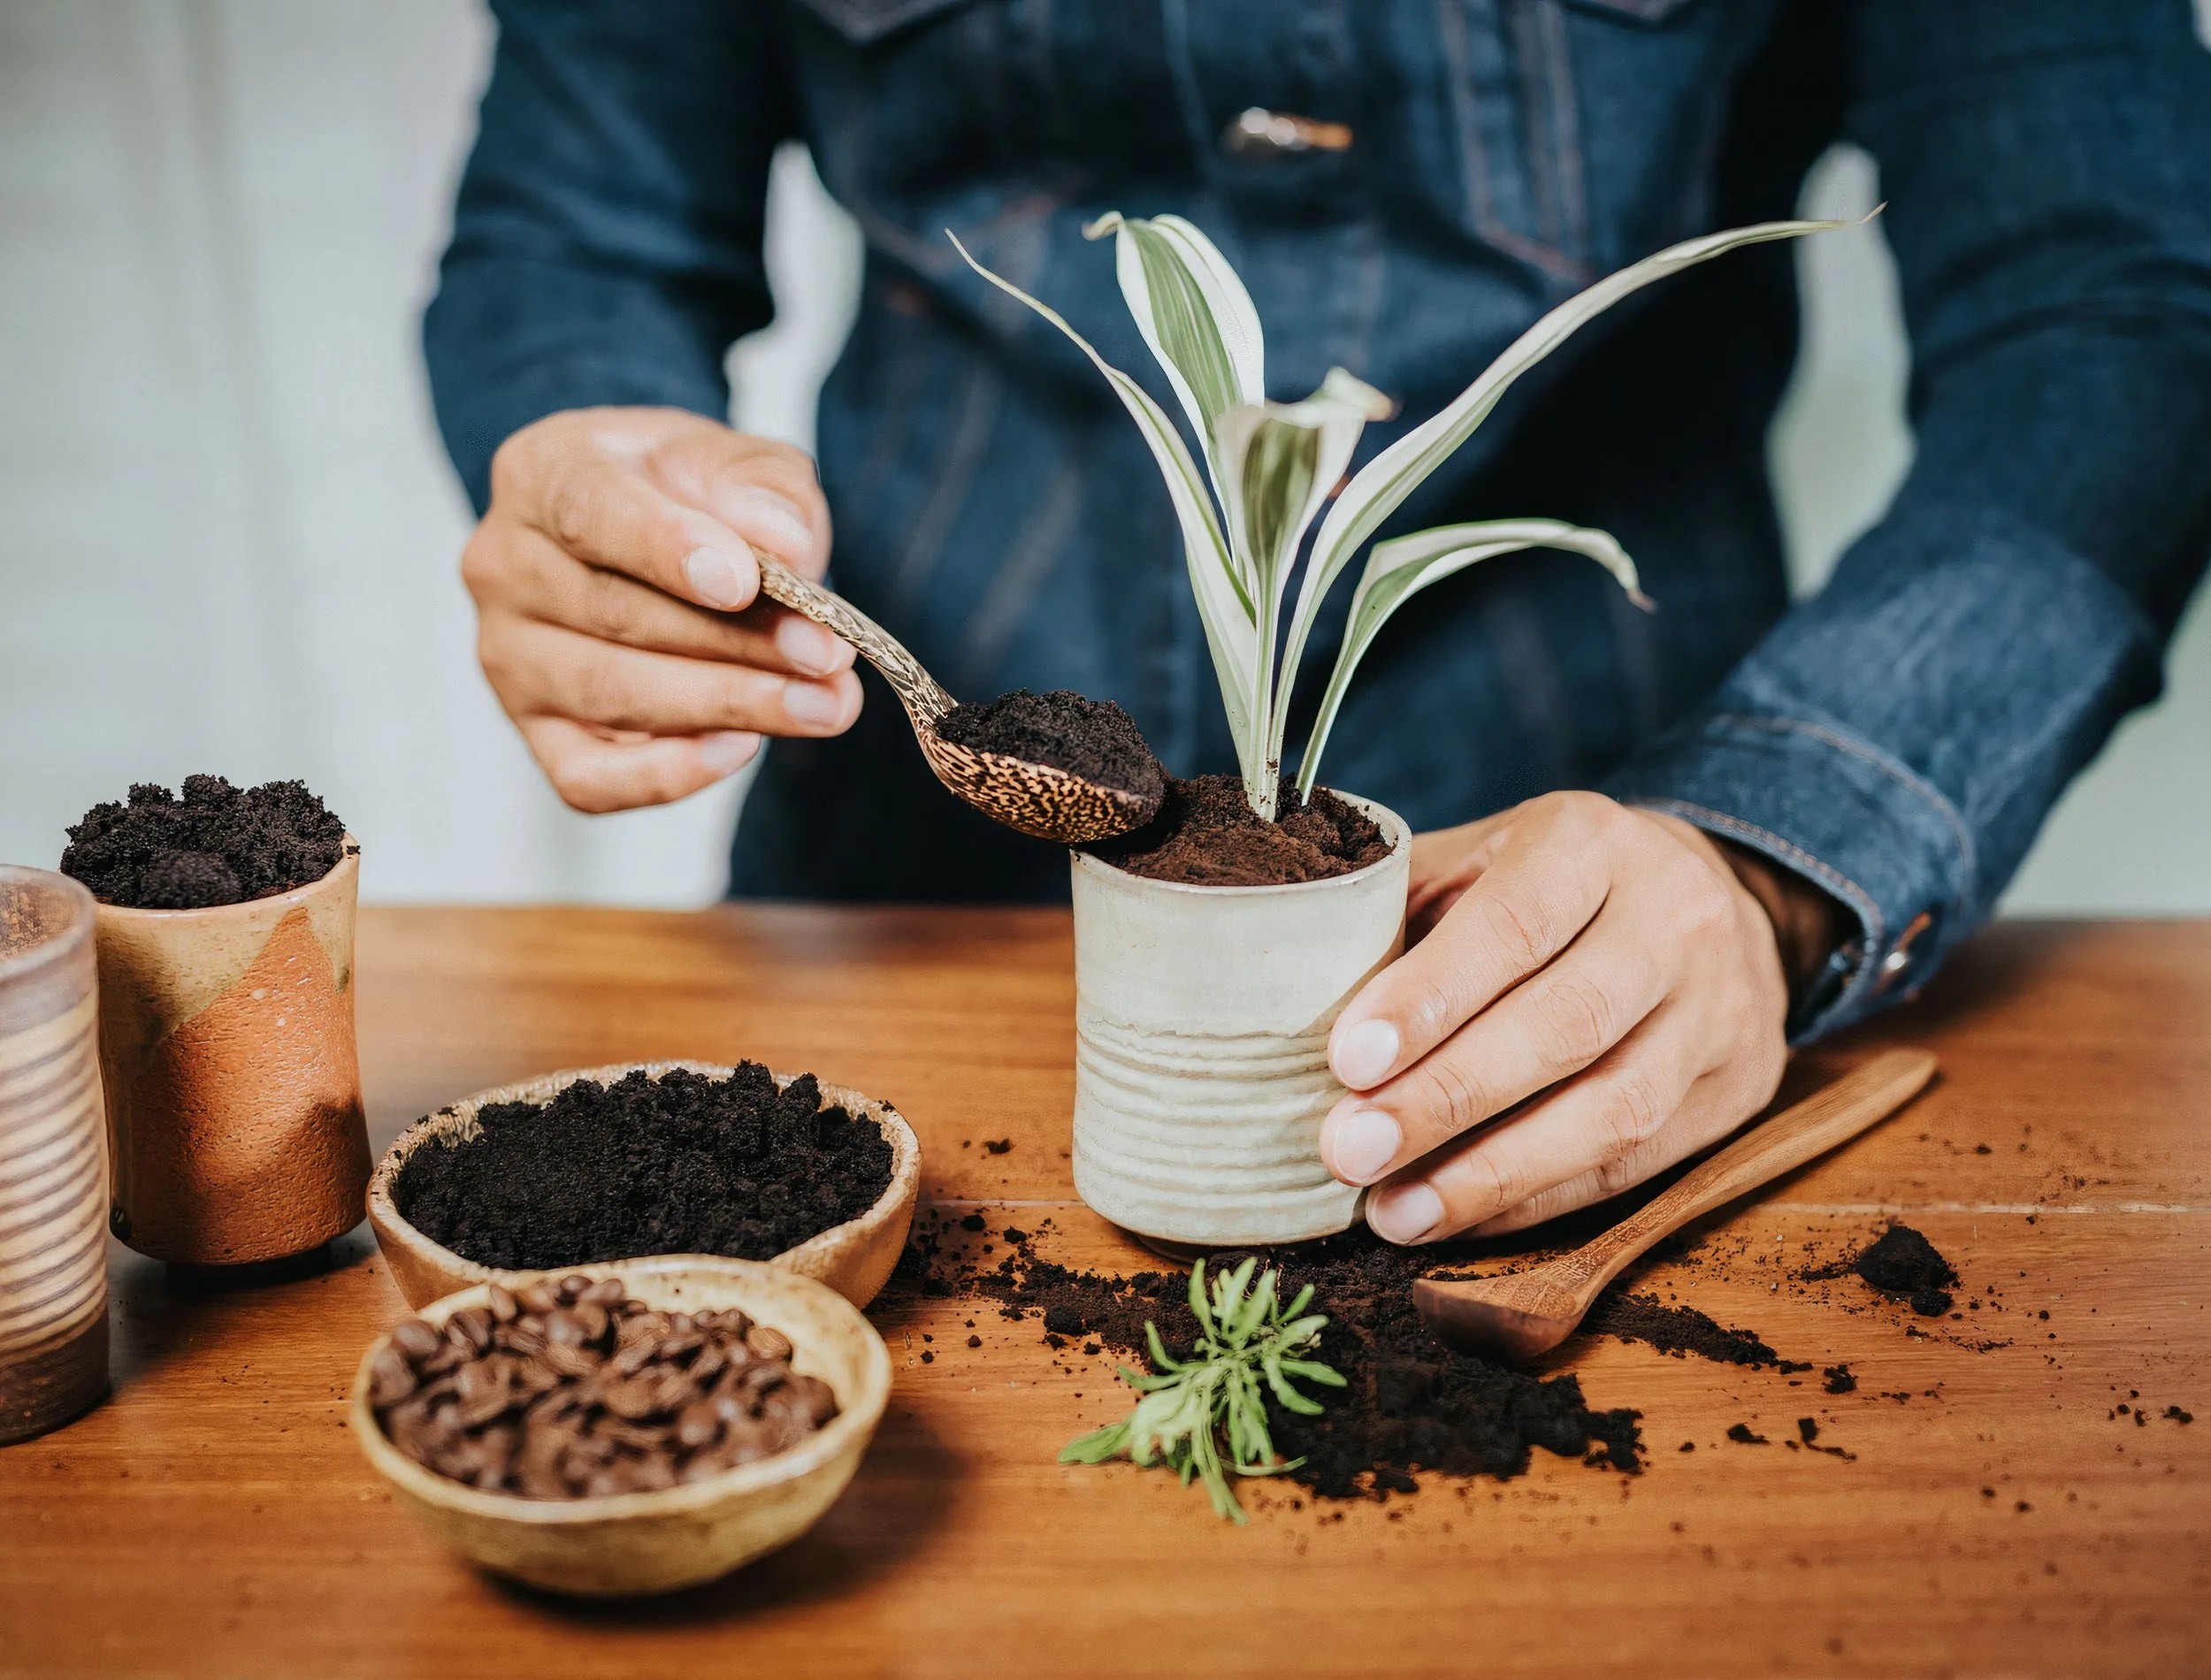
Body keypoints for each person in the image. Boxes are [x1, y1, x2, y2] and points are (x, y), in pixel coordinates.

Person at [425, 2, 2211, 1248]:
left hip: (1592, 968)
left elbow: (2112, 306)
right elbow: (570, 235)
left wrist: (1776, 850)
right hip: (894, 922)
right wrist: (603, 462)